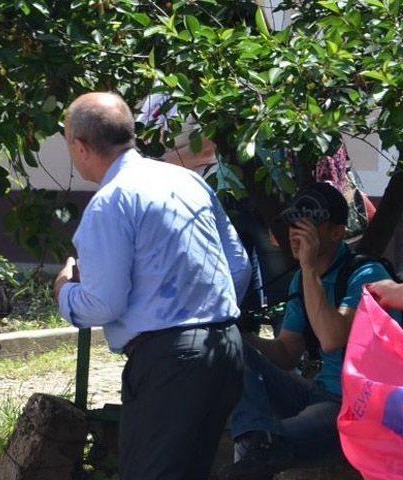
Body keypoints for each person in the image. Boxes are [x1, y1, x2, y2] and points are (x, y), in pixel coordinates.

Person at [53, 92, 252, 479]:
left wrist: (65, 291)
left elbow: (103, 303)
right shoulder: (185, 180)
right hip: (224, 348)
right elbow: (238, 267)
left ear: (80, 147)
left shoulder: (111, 201)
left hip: (170, 360)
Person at [219, 182, 400, 480]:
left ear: (337, 233)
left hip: (355, 408)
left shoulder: (367, 275)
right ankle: (256, 435)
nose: (295, 232)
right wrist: (240, 336)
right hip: (316, 392)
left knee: (265, 454)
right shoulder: (302, 281)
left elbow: (331, 340)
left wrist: (308, 270)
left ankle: (262, 443)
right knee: (227, 345)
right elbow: (287, 353)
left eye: (309, 224)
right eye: (293, 223)